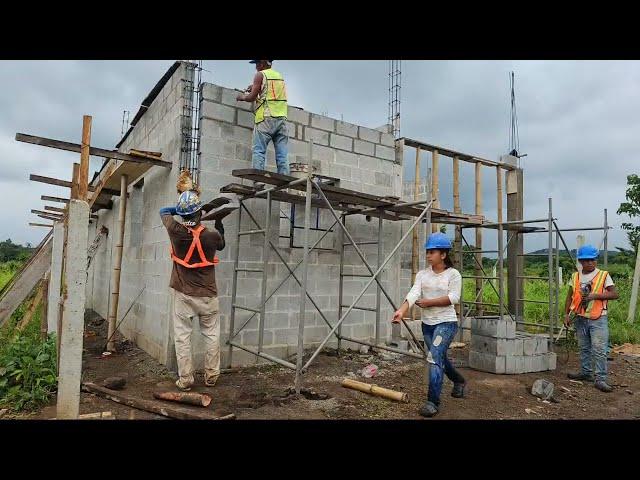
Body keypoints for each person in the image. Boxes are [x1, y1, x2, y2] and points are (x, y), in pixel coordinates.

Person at [391, 232, 466, 418]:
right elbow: (414, 293)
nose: (428, 255)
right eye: (427, 252)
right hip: (428, 325)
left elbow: (454, 298)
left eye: (432, 252)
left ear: (443, 254)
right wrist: (402, 311)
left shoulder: (453, 274)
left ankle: (432, 402)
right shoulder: (423, 274)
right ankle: (459, 381)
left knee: (434, 358)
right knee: (438, 357)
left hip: (446, 323)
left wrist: (429, 302)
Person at [160, 190, 226, 391]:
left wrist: (182, 211)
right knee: (212, 335)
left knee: (182, 337)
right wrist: (217, 220)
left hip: (183, 295)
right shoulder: (212, 236)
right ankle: (212, 375)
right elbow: (222, 244)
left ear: (182, 215)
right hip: (208, 295)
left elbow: (164, 210)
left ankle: (186, 379)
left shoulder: (174, 229)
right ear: (199, 214)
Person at [563, 244, 619, 392]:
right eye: (586, 260)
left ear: (596, 260)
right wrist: (566, 314)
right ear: (581, 261)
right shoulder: (575, 276)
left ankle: (600, 379)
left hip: (598, 318)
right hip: (580, 317)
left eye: (592, 260)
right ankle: (585, 372)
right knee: (584, 347)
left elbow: (614, 294)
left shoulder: (604, 275)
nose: (590, 263)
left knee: (599, 349)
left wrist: (596, 295)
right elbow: (569, 297)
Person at [236, 60, 289, 176]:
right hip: (282, 119)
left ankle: (258, 180)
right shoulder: (279, 76)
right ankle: (284, 182)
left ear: (262, 63)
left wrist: (242, 97)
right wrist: (257, 87)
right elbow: (271, 93)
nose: (256, 67)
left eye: (257, 64)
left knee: (259, 151)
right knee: (282, 154)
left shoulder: (260, 75)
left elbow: (252, 97)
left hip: (266, 118)